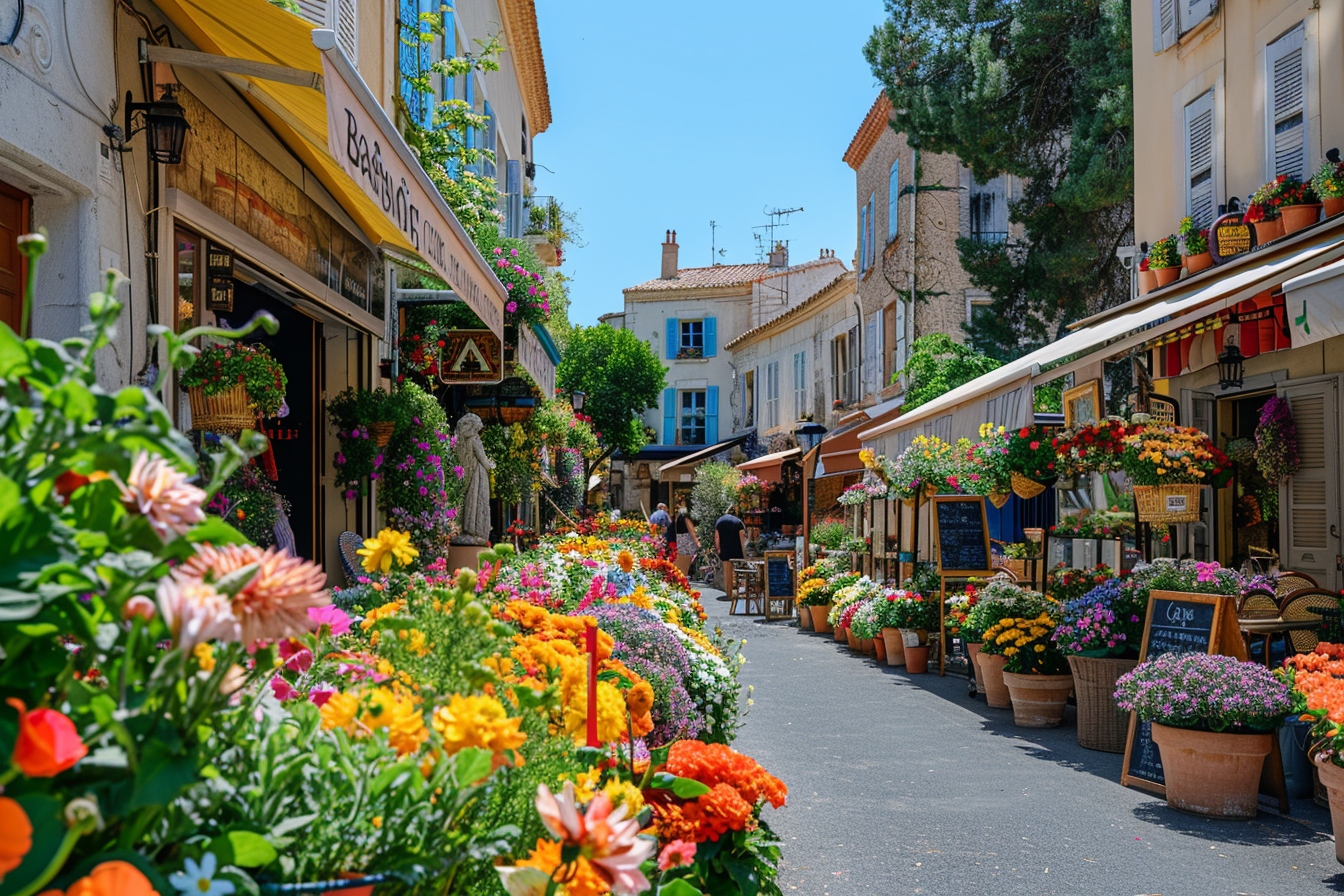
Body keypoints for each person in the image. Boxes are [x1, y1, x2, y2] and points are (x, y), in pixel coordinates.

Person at [715, 506, 747, 596]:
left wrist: (718, 549)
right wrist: (745, 553)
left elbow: (717, 537)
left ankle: (728, 592)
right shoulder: (738, 522)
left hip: (725, 550)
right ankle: (738, 590)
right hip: (737, 551)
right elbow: (742, 538)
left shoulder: (719, 521)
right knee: (739, 572)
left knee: (727, 572)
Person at [672, 507, 700, 577]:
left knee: (682, 557)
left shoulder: (678, 518)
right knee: (688, 558)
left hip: (680, 539)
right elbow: (691, 531)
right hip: (687, 540)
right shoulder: (686, 518)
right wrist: (697, 542)